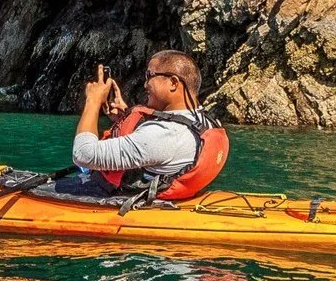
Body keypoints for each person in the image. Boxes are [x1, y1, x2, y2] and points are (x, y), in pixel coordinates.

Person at [61, 49, 228, 201]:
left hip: (122, 199)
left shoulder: (163, 136)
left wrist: (93, 101)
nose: (145, 84)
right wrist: (126, 117)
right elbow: (160, 144)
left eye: (150, 75)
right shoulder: (205, 121)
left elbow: (83, 154)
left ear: (173, 83)